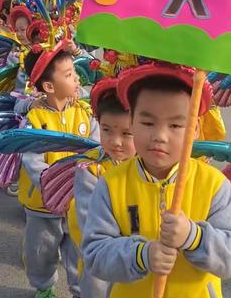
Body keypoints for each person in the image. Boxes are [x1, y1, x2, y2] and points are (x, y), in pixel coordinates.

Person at [82, 63, 231, 297]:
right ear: (131, 121)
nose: (160, 136)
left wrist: (194, 237)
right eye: (148, 123)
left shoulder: (214, 185)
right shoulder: (111, 185)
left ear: (194, 129)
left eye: (175, 125)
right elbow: (94, 254)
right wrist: (142, 255)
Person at [19, 43, 100, 298]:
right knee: (41, 251)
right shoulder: (34, 120)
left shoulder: (85, 114)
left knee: (79, 252)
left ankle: (79, 291)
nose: (76, 79)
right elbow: (33, 162)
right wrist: (54, 186)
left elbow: (97, 150)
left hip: (78, 203)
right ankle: (43, 287)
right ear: (49, 86)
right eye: (68, 75)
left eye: (74, 73)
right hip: (42, 204)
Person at [69, 78, 136, 298]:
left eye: (127, 134)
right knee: (96, 288)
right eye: (107, 130)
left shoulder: (148, 166)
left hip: (136, 253)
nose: (115, 141)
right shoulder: (91, 167)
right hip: (100, 249)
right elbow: (89, 220)